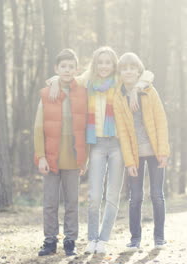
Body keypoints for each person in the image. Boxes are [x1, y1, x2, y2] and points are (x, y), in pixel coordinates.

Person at [48, 46, 153, 254]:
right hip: (96, 144)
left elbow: (148, 74)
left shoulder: (120, 82)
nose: (104, 66)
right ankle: (92, 238)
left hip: (117, 145)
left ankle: (103, 240)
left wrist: (136, 88)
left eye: (108, 63)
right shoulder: (88, 82)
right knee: (95, 196)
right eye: (100, 62)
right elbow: (67, 78)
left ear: (114, 65)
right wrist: (52, 80)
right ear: (95, 64)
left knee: (112, 196)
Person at [113, 52, 170, 250]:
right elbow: (121, 131)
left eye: (132, 68)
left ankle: (159, 238)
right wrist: (129, 162)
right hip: (135, 155)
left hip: (155, 152)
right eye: (124, 68)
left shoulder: (149, 91)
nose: (128, 71)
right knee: (135, 197)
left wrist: (163, 151)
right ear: (120, 72)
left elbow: (161, 122)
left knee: (157, 194)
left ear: (139, 70)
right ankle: (135, 239)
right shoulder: (118, 97)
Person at [34, 48, 88, 256]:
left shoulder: (82, 92)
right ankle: (49, 241)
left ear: (77, 69)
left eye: (71, 66)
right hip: (51, 156)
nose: (67, 70)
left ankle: (70, 241)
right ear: (56, 69)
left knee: (72, 202)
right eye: (63, 66)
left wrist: (85, 158)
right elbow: (39, 128)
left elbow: (86, 128)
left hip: (73, 157)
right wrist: (41, 156)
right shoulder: (48, 94)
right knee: (50, 202)